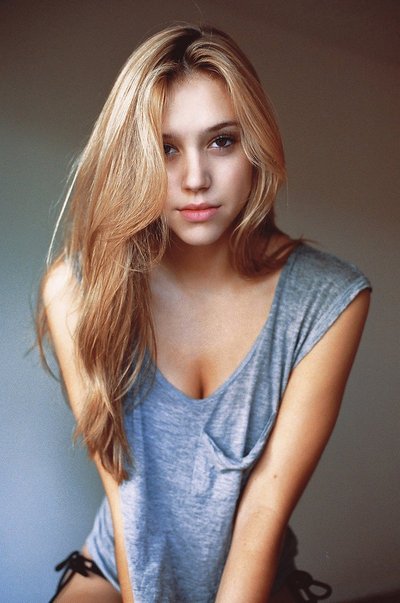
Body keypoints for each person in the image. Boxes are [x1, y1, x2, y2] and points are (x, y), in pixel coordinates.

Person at [37, 23, 371, 603]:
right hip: (114, 571)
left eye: (221, 141)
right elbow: (126, 497)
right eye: (166, 148)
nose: (195, 179)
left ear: (256, 144)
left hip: (260, 575)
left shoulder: (327, 301)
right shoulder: (77, 290)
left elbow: (263, 510)